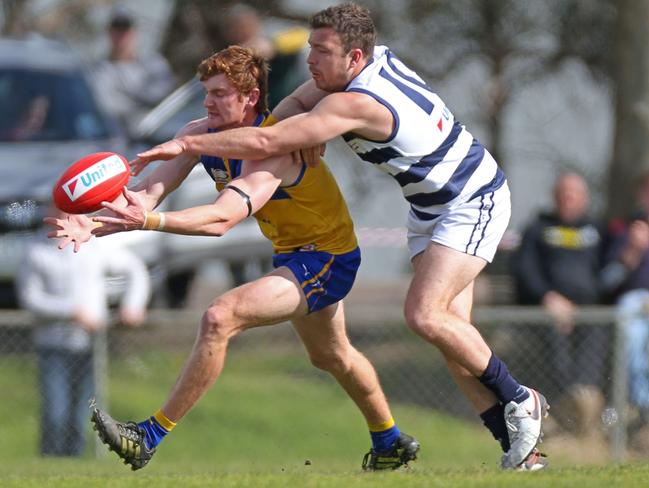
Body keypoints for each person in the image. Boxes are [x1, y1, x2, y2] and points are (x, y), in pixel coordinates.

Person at [133, 3, 551, 471]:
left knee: (423, 315)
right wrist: (297, 125)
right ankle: (520, 453)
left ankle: (520, 398)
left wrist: (191, 142)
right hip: (430, 209)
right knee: (453, 336)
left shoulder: (355, 102)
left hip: (472, 198)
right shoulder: (360, 66)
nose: (310, 59)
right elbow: (291, 107)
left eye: (321, 51)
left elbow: (268, 144)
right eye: (310, 47)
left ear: (354, 57)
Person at [48, 46, 419, 471]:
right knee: (332, 356)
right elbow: (148, 192)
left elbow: (222, 218)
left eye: (220, 93)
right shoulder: (199, 134)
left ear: (250, 97)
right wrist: (92, 223)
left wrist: (148, 220)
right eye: (206, 92)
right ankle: (389, 440)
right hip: (292, 255)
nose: (208, 102)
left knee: (220, 316)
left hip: (327, 258)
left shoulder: (277, 145)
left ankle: (147, 436)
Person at [17, 206, 149, 457]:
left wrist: (132, 305)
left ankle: (71, 467)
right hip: (52, 345)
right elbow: (31, 299)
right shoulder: (35, 250)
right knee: (56, 413)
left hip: (91, 346)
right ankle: (49, 466)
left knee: (81, 415)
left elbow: (135, 269)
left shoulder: (93, 246)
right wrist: (72, 311)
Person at [513, 172, 608, 437]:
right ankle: (565, 403)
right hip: (549, 309)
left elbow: (608, 270)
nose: (569, 199)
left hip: (591, 310)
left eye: (574, 194)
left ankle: (586, 398)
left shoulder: (597, 229)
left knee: (597, 331)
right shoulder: (537, 229)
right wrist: (547, 297)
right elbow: (525, 269)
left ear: (585, 198)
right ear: (555, 197)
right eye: (564, 194)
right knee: (554, 336)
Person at [601, 171, 649, 431]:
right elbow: (606, 282)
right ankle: (643, 410)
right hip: (633, 303)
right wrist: (632, 251)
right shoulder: (624, 231)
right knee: (633, 343)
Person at [91, 6, 175, 135]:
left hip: (147, 137)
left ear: (134, 32)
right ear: (109, 32)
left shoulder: (154, 64)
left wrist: (128, 97)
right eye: (116, 28)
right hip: (106, 137)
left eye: (125, 28)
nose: (120, 34)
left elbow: (163, 98)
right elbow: (100, 104)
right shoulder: (98, 70)